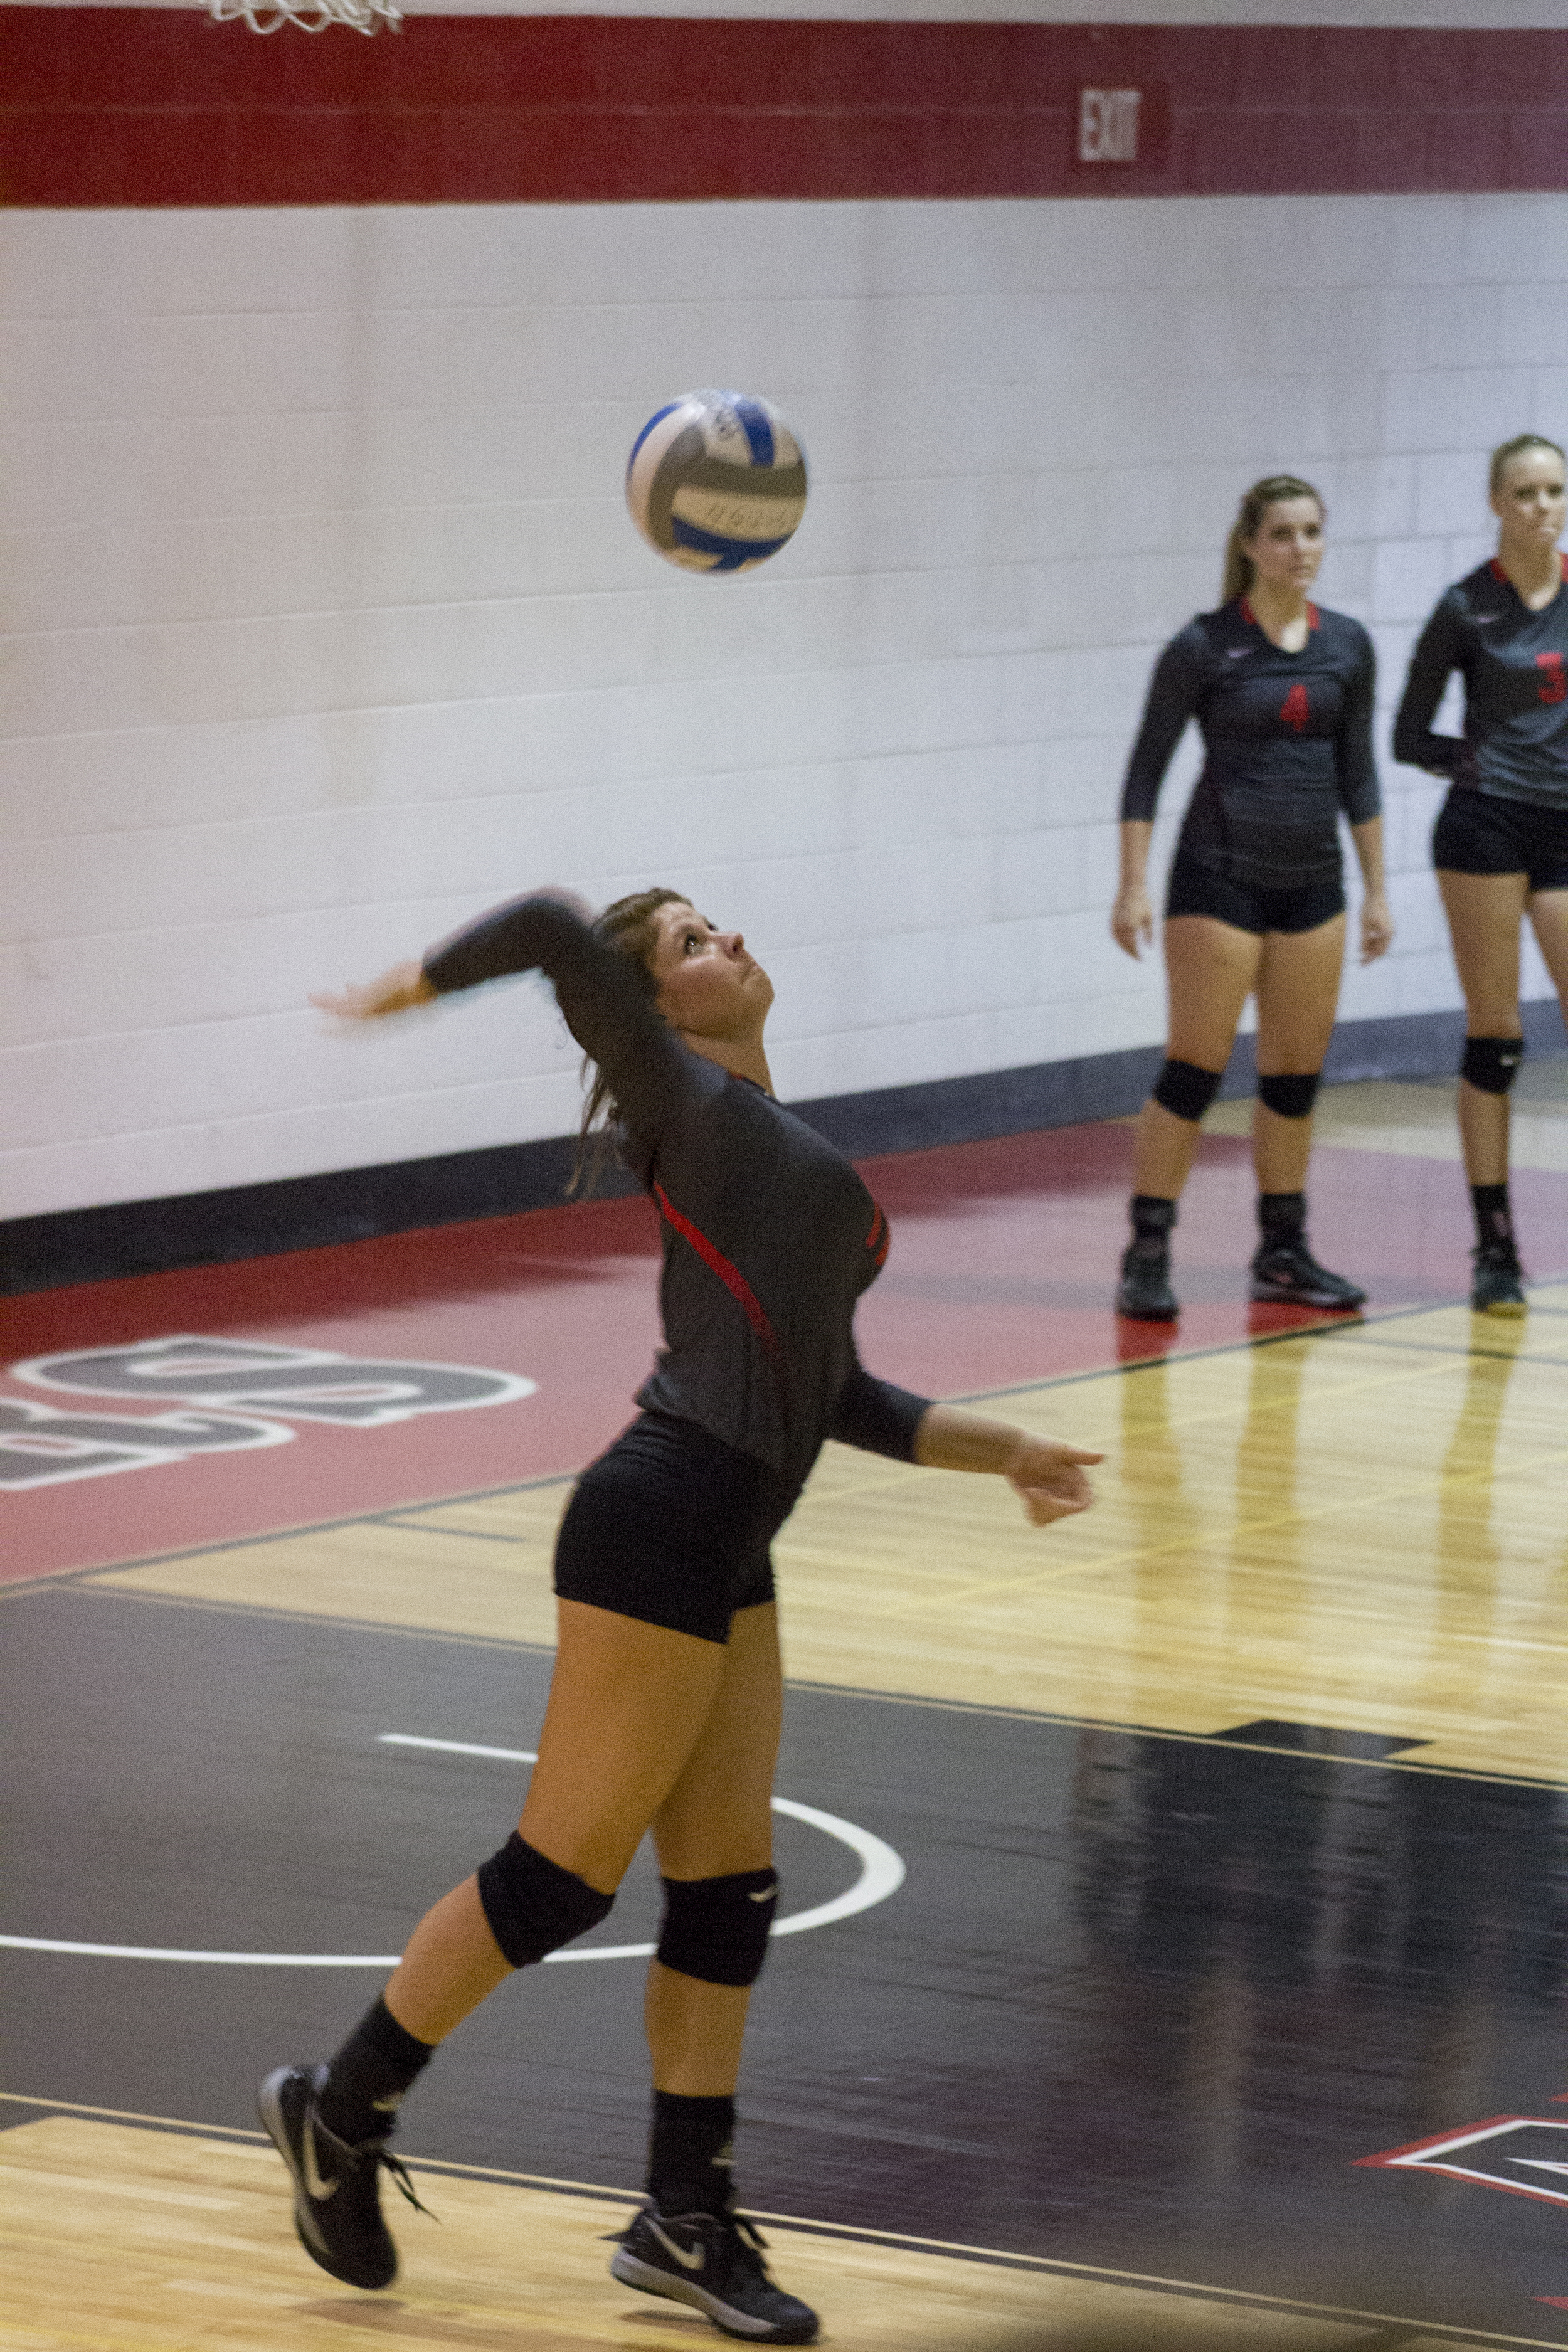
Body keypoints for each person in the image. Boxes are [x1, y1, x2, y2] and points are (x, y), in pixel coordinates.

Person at [260, 886, 1102, 2346]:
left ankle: (682, 2217)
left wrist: (1003, 1452)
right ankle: (340, 2111)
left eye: (723, 924)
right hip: (658, 1517)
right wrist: (411, 985)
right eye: (688, 946)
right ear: (653, 1010)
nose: (727, 941)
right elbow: (542, 924)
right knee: (560, 1881)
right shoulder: (681, 1093)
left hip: (734, 1538)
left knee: (728, 1895)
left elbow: (830, 1394)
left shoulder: (773, 1139)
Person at [1110, 474, 1394, 1322]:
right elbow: (1145, 770)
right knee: (1194, 1071)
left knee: (1294, 1080)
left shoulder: (1348, 643)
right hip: (1217, 878)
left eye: (1312, 532)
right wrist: (1132, 885)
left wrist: (1377, 890)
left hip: (1315, 885)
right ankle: (1149, 1247)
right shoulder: (1204, 646)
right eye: (1283, 534)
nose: (1300, 549)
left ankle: (1282, 1247)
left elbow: (1359, 773)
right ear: (1249, 544)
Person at [1393, 432, 1568, 1316]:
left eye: (1555, 491)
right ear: (1497, 504)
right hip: (1488, 825)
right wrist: (1478, 762)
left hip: (1566, 825)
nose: (1542, 507)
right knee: (1496, 1033)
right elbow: (1407, 734)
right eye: (1526, 492)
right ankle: (1494, 1244)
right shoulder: (1468, 607)